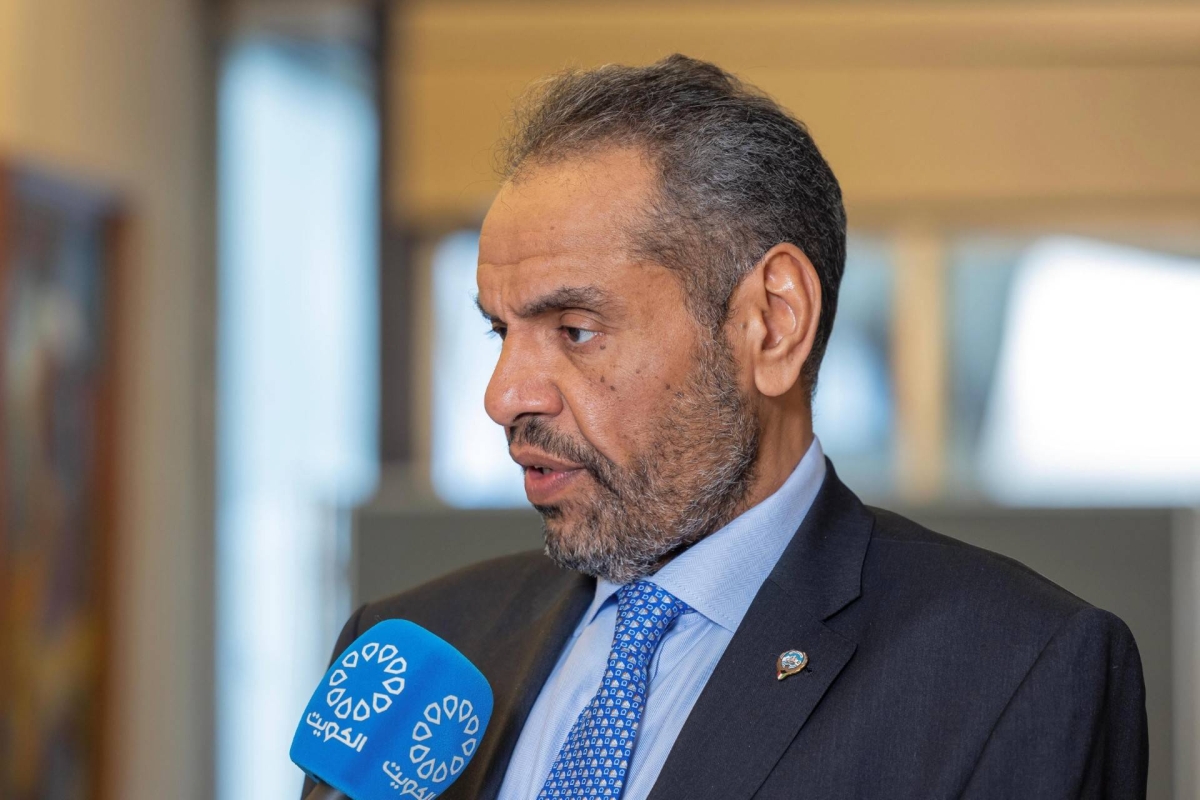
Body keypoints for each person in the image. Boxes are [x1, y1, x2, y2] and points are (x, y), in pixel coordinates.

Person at [306, 55, 1147, 799]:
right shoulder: (418, 650)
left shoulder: (1012, 672)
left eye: (576, 330)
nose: (503, 396)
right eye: (500, 331)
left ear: (772, 324)